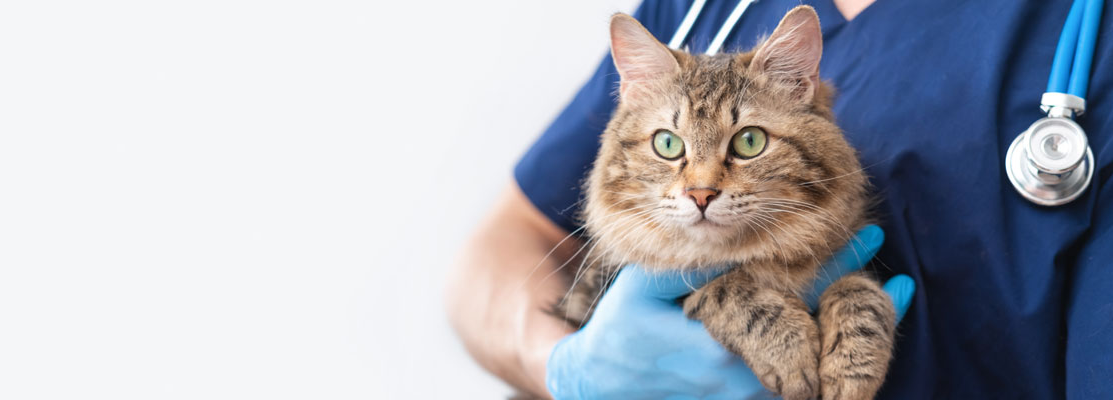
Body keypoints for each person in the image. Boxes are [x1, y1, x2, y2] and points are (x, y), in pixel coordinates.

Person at [447, 0, 1113, 398]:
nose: (702, 186)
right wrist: (564, 371)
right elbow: (506, 242)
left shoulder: (1088, 32)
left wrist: (856, 303)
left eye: (744, 145)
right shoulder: (695, 10)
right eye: (675, 151)